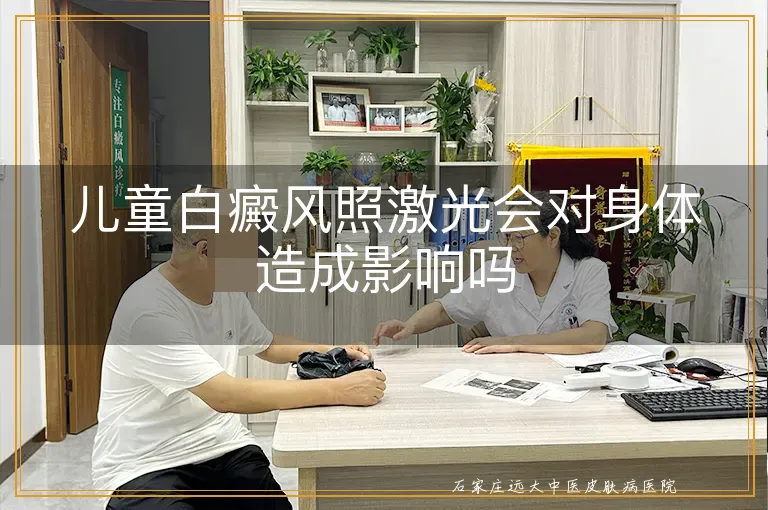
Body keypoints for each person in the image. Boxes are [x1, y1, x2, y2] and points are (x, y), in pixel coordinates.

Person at [93, 187, 386, 510]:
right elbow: (225, 395)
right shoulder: (148, 312)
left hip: (221, 445)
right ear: (205, 250)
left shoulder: (223, 288)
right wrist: (339, 390)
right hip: (145, 464)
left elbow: (267, 344)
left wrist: (334, 349)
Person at [373, 190, 617, 355]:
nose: (511, 247)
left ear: (552, 236)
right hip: (514, 380)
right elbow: (444, 309)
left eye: (519, 237)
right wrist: (410, 325)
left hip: (572, 382)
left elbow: (594, 337)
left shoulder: (588, 271)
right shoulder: (496, 272)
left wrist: (512, 343)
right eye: (507, 237)